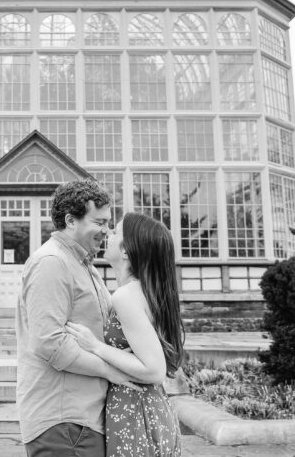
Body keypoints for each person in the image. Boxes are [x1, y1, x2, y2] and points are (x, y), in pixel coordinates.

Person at [16, 179, 141, 456]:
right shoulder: (51, 262)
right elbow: (50, 342)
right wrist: (110, 371)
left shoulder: (85, 265)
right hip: (63, 422)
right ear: (71, 221)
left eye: (108, 222)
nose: (106, 230)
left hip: (82, 419)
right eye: (99, 222)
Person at [66, 212, 186, 457]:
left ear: (126, 251)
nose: (108, 234)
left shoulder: (126, 296)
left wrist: (96, 346)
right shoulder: (143, 291)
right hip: (147, 408)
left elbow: (154, 370)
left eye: (116, 231)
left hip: (135, 411)